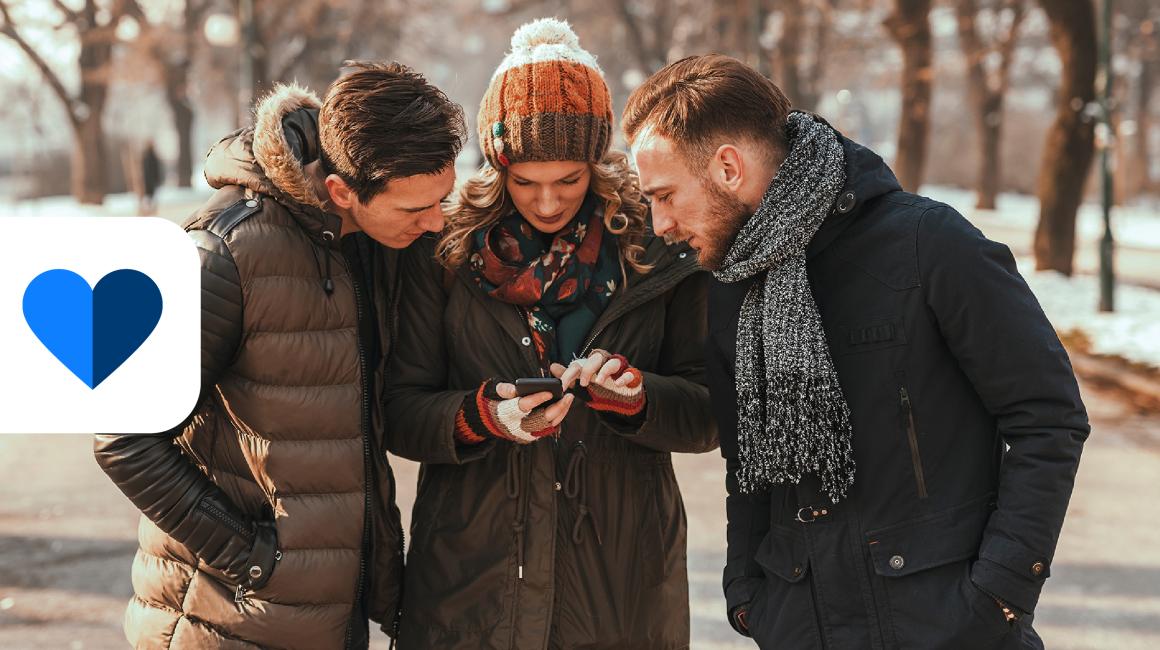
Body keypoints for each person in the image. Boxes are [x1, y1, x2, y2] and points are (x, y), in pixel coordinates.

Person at [624, 54, 1089, 649]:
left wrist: (998, 593)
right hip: (802, 623)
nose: (659, 224)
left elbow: (1048, 418)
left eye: (665, 196)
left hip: (945, 627)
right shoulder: (732, 283)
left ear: (729, 167)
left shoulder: (928, 244)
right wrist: (748, 595)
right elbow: (748, 464)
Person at [94, 61, 466, 649]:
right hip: (224, 621)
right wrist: (252, 558)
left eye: (440, 199)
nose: (435, 222)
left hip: (327, 619)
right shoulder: (226, 252)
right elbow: (123, 434)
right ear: (342, 191)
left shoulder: (377, 241)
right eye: (415, 209)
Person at [385, 19, 717, 649]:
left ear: (597, 162)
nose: (546, 203)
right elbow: (399, 409)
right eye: (524, 182)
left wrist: (639, 399)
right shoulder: (444, 253)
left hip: (623, 580)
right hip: (472, 580)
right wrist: (481, 416)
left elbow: (707, 412)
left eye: (568, 180)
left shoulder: (656, 248)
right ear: (495, 166)